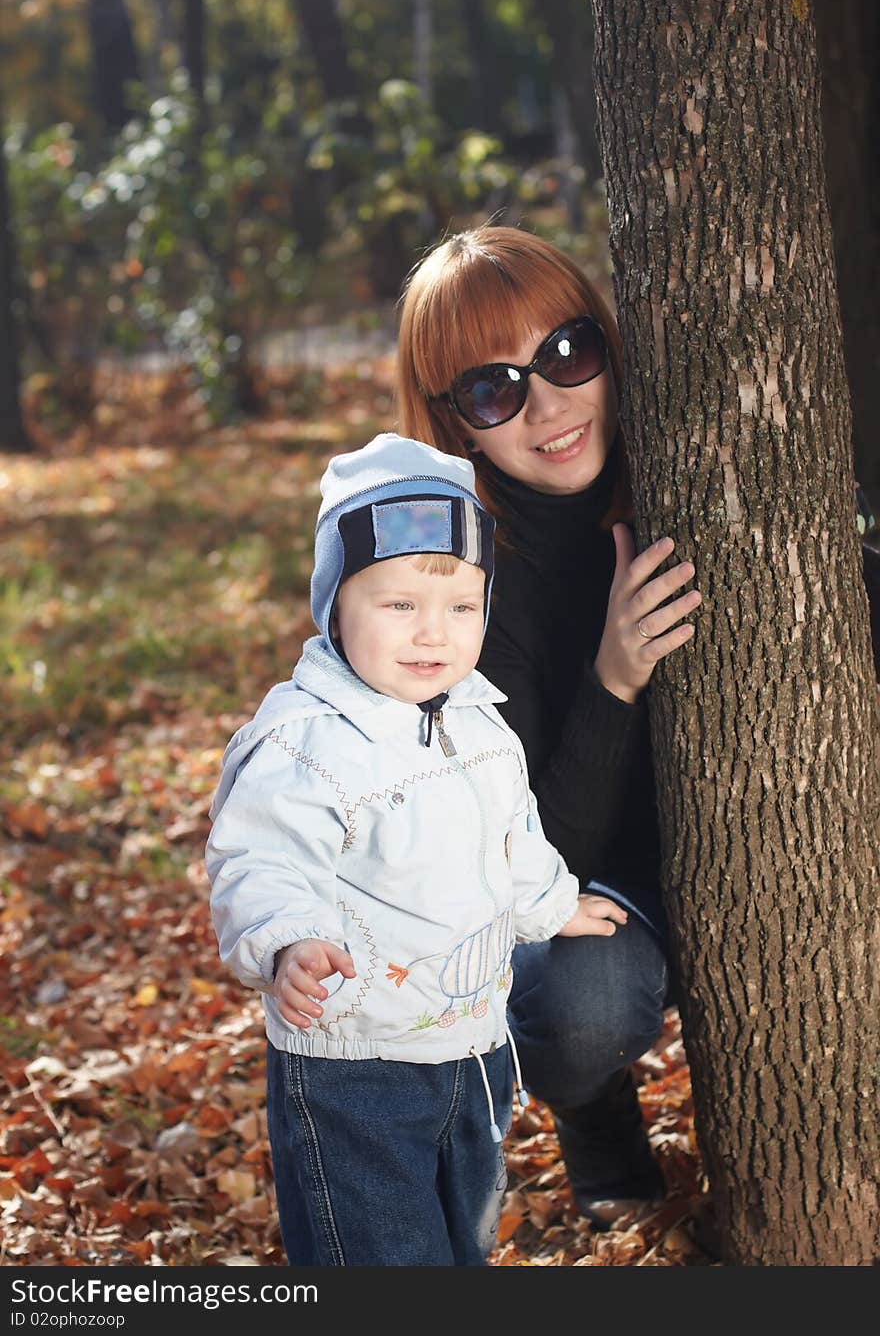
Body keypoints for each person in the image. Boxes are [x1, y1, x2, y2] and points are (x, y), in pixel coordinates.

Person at [205, 431, 626, 1266]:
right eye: (399, 605)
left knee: (461, 1244)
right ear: (334, 604)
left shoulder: (477, 720)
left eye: (462, 607)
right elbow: (259, 861)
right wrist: (287, 940)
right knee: (379, 1256)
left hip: (470, 1048)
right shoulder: (303, 743)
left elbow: (516, 837)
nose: (433, 633)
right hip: (353, 1065)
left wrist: (552, 903)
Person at [396, 224, 701, 1227]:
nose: (549, 403)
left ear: (609, 343)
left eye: (566, 352)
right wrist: (613, 678)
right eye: (495, 388)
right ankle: (593, 1111)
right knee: (574, 1009)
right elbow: (530, 860)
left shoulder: (704, 457)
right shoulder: (467, 591)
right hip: (593, 891)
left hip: (769, 856)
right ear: (456, 425)